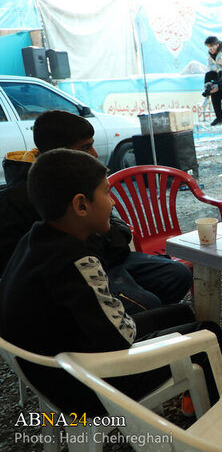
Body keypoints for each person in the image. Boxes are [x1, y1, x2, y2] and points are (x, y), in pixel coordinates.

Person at [0, 149, 222, 415]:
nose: (112, 203)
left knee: (181, 312)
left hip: (54, 369)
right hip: (88, 385)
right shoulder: (76, 260)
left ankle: (197, 394)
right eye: (106, 192)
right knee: (208, 333)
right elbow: (120, 338)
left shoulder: (35, 239)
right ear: (81, 205)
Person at [0, 110, 192, 314]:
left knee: (177, 274)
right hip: (71, 277)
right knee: (148, 303)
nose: (94, 154)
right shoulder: (17, 201)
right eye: (85, 147)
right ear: (59, 153)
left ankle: (154, 321)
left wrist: (103, 242)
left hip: (110, 259)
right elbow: (25, 267)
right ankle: (147, 326)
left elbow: (119, 230)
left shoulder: (85, 177)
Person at [202, 36, 222, 126]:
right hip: (220, 77)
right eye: (209, 48)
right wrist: (214, 84)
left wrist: (219, 86)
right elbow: (210, 67)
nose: (210, 50)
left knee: (216, 86)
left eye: (212, 47)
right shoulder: (211, 55)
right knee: (210, 77)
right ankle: (219, 117)